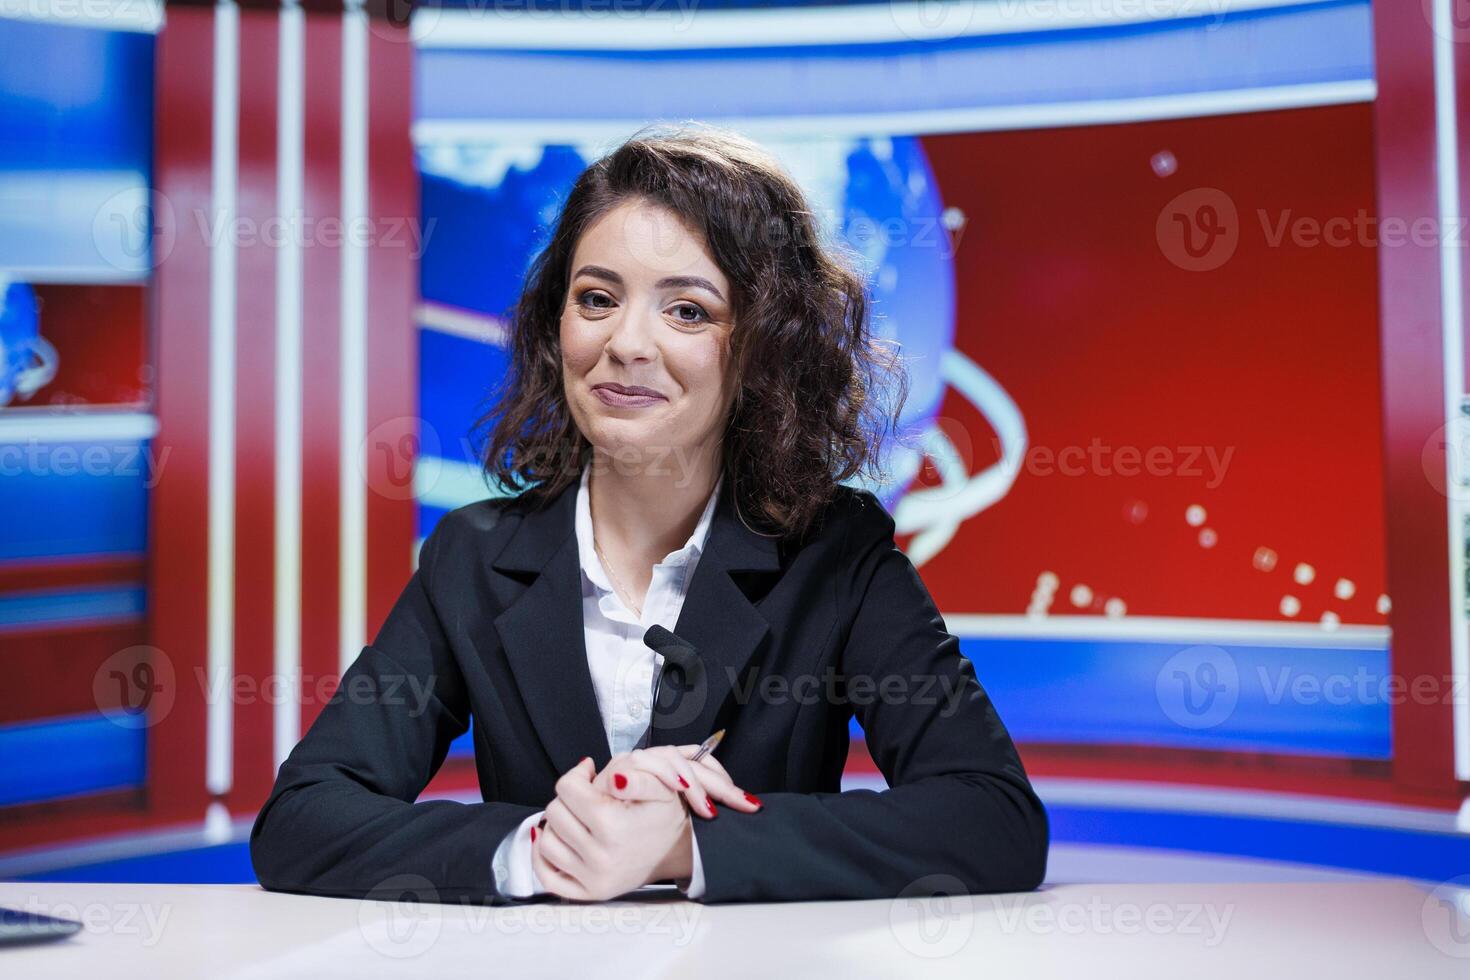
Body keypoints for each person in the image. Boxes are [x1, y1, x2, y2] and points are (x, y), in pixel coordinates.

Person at [249, 124, 1048, 905]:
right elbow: (303, 818)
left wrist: (680, 845)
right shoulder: (472, 556)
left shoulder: (836, 553)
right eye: (596, 298)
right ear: (555, 325)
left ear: (761, 349)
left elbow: (994, 818)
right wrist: (539, 848)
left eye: (688, 311)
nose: (626, 343)